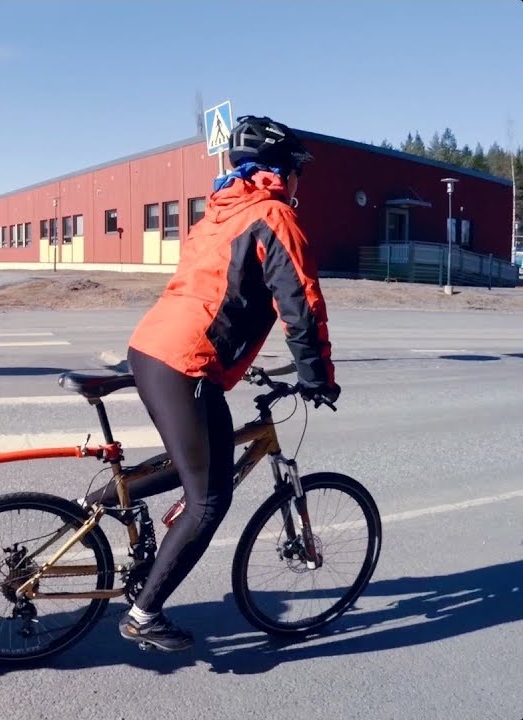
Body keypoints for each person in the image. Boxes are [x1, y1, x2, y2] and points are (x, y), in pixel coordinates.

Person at [95, 115, 339, 652]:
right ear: (282, 172)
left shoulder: (220, 214)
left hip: (153, 349)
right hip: (186, 361)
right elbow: (300, 305)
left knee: (198, 457)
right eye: (298, 172)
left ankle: (111, 497)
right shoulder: (275, 215)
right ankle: (143, 613)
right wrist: (317, 377)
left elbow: (214, 294)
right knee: (209, 499)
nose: (300, 182)